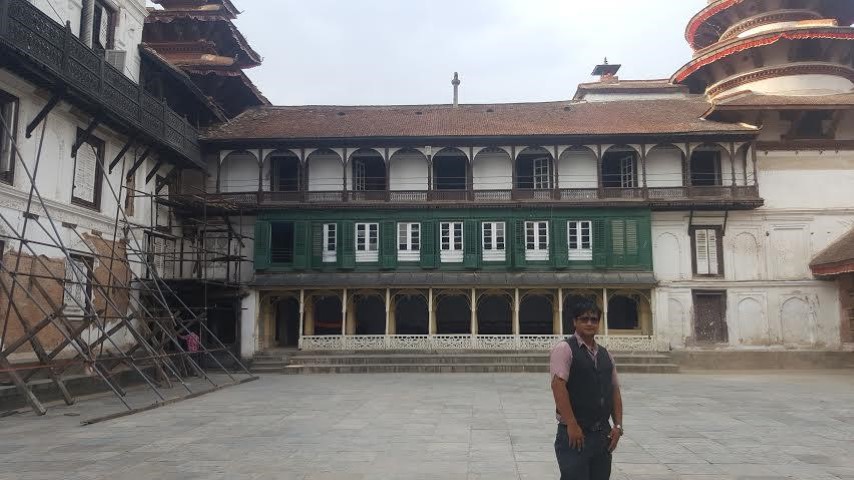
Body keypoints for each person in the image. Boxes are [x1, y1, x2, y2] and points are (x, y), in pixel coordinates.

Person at [550, 298, 623, 480]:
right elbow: (558, 387)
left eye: (594, 319)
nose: (590, 323)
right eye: (584, 319)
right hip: (575, 433)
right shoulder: (565, 349)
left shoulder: (606, 355)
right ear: (574, 322)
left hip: (601, 435)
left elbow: (614, 390)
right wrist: (572, 425)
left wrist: (618, 426)